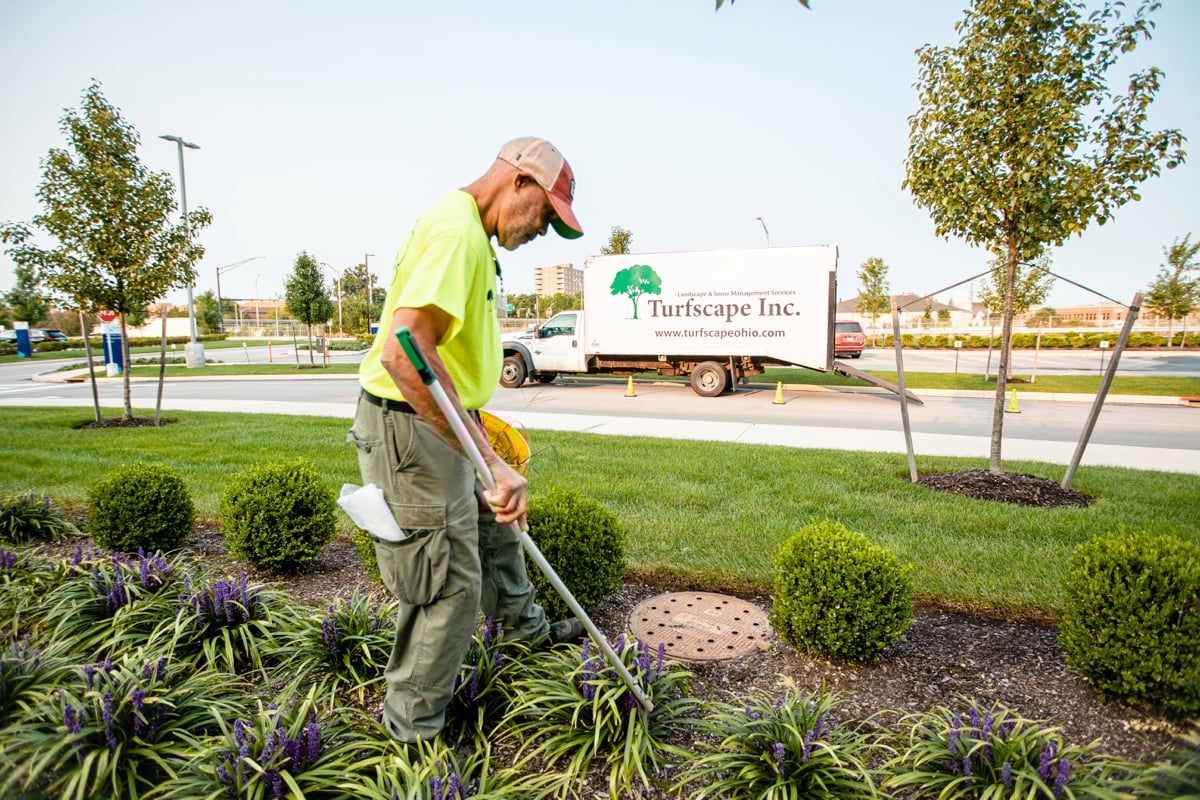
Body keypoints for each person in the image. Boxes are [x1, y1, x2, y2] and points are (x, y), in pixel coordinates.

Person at [349, 136, 585, 743]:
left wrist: (481, 442)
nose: (541, 233)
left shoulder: (470, 233)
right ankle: (413, 731)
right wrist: (489, 461)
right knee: (448, 582)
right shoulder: (457, 237)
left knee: (496, 528)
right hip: (409, 429)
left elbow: (443, 354)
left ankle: (522, 632)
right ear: (520, 183)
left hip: (442, 420)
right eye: (545, 218)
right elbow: (408, 352)